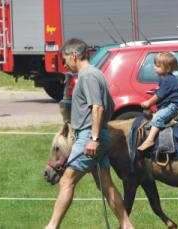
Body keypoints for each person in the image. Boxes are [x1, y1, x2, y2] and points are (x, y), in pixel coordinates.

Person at [45, 38, 134, 229]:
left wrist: (93, 138)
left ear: (74, 55)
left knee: (67, 181)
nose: (65, 64)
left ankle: (52, 226)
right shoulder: (97, 74)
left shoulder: (88, 76)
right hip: (96, 136)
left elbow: (99, 107)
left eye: (65, 59)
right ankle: (127, 225)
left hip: (89, 139)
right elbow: (109, 105)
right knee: (106, 185)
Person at [138, 52, 178, 152]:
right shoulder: (165, 79)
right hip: (168, 105)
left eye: (158, 66)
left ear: (167, 68)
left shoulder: (168, 80)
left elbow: (158, 96)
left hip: (173, 106)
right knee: (155, 116)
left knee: (158, 118)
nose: (155, 68)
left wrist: (148, 103)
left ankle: (149, 140)